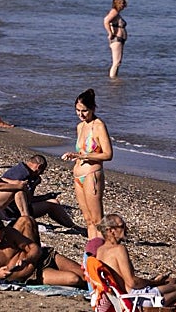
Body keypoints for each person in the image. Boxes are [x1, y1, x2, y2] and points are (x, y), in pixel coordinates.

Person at [94, 214, 176, 309]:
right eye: (122, 226)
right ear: (110, 231)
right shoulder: (119, 249)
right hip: (136, 298)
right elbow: (132, 283)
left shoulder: (101, 251)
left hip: (120, 298)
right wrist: (154, 282)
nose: (126, 229)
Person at [0, 216, 84, 287]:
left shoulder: (9, 233)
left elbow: (34, 248)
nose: (1, 240)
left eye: (2, 236)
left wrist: (27, 259)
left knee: (87, 276)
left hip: (44, 257)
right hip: (33, 275)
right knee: (74, 279)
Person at [61, 88, 112, 239]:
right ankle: (91, 253)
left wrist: (84, 155)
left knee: (97, 220)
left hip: (92, 175)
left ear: (93, 108)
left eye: (84, 111)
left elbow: (108, 154)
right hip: (78, 176)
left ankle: (103, 251)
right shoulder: (80, 126)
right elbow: (81, 152)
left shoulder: (99, 126)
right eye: (77, 110)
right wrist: (75, 155)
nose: (81, 114)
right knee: (88, 220)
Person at [0, 154, 78, 229]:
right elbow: (1, 183)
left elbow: (28, 199)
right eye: (42, 171)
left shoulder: (28, 174)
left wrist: (45, 197)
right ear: (39, 167)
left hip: (18, 207)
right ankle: (25, 220)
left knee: (53, 202)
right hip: (10, 210)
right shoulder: (21, 174)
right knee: (50, 205)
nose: (41, 174)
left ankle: (72, 226)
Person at [103, 0, 127, 78]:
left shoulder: (116, 13)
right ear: (118, 3)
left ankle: (115, 78)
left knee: (118, 62)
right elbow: (106, 21)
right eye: (123, 3)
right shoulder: (114, 11)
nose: (124, 5)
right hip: (116, 39)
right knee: (116, 62)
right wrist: (110, 33)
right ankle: (113, 80)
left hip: (120, 39)